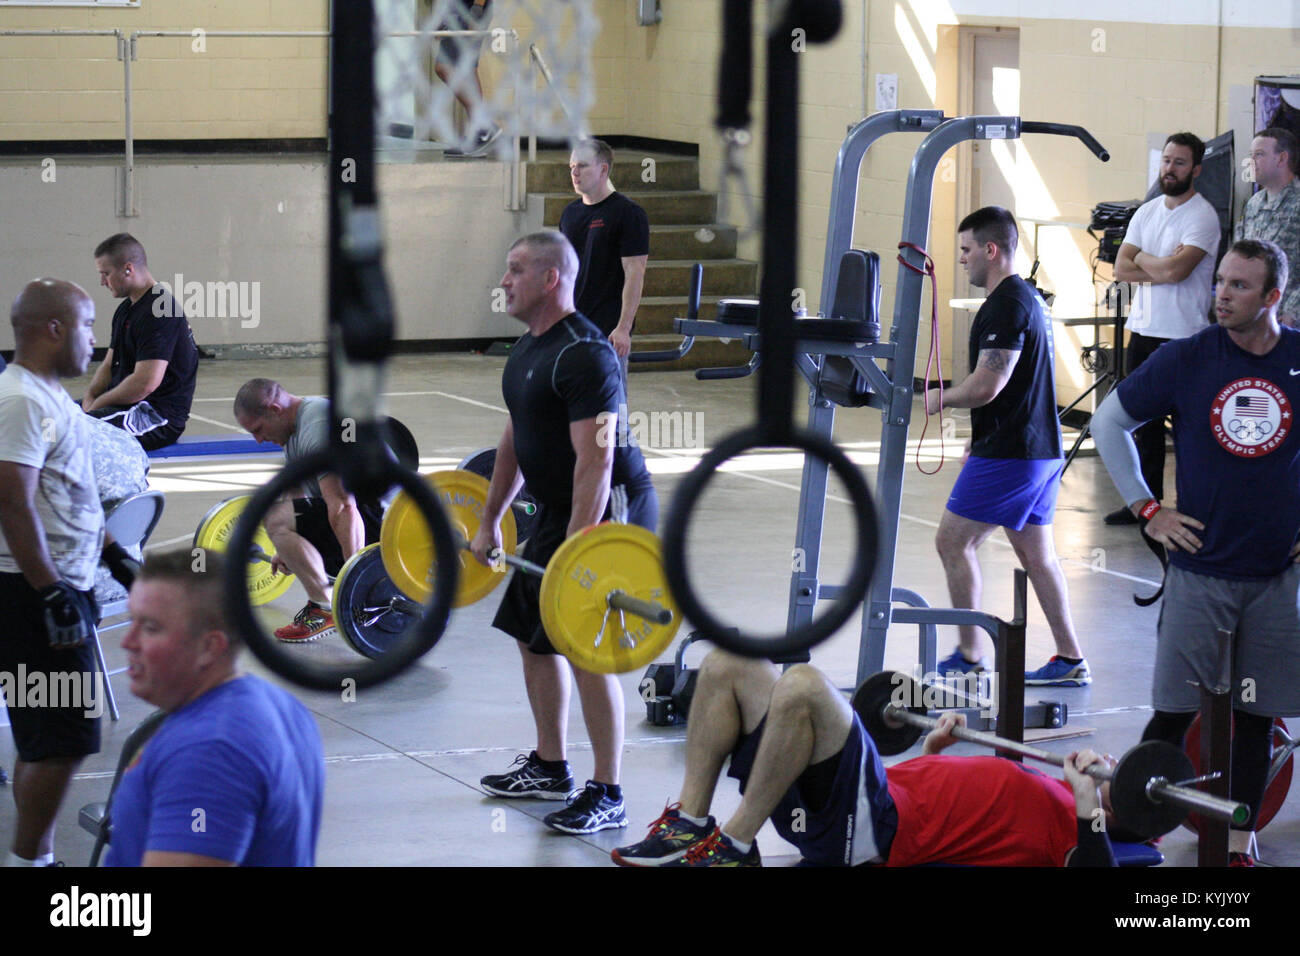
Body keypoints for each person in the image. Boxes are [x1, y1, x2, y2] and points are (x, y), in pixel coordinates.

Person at [1090, 239, 1299, 866]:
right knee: (1173, 713)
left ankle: (1239, 842)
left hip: (1275, 577)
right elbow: (1108, 424)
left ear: (1273, 297)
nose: (1222, 296)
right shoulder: (1188, 358)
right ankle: (1135, 825)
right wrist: (1148, 510)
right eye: (1221, 283)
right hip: (1201, 572)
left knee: (1255, 718)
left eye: (1239, 287)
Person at [474, 231, 657, 834]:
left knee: (583, 645)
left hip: (606, 512)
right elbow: (515, 438)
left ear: (552, 278)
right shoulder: (528, 348)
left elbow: (597, 462)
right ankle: (552, 766)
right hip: (558, 507)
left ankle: (609, 791)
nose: (504, 281)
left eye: (516, 269)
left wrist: (577, 553)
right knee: (533, 635)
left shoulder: (586, 353)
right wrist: (492, 517)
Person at [613, 650, 1121, 867]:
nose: (1110, 758)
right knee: (730, 661)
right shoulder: (1054, 789)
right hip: (862, 801)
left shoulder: (1074, 827)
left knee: (805, 686)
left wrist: (1087, 806)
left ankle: (736, 845)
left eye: (1116, 769)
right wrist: (931, 753)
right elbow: (959, 812)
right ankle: (689, 824)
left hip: (870, 831)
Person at [0, 279, 136, 866]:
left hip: (58, 585)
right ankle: (34, 861)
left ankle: (35, 855)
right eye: (85, 326)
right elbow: (12, 502)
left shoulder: (51, 397)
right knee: (62, 739)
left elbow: (71, 494)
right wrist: (50, 591)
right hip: (32, 592)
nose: (92, 339)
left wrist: (112, 553)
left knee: (56, 736)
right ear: (52, 329)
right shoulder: (21, 400)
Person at [923, 206, 1088, 686]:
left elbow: (987, 386)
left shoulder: (1007, 304)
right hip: (1035, 452)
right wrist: (979, 440)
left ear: (991, 250)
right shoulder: (1027, 299)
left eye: (967, 250)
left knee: (953, 540)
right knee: (1038, 556)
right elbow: (1017, 389)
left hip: (1015, 456)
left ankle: (970, 655)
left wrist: (939, 398)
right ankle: (1071, 660)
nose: (963, 260)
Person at [104, 548, 325, 866]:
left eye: (151, 628)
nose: (128, 642)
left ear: (210, 647)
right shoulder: (282, 707)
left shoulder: (209, 750)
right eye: (132, 621)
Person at [1105, 132, 1221, 526]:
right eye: (1167, 160)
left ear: (1197, 169)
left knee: (1189, 427)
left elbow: (1178, 271)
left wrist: (1146, 260)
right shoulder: (1147, 211)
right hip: (1143, 332)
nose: (1170, 169)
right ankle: (1145, 502)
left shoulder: (1202, 216)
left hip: (1183, 336)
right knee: (1143, 427)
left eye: (1180, 162)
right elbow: (1121, 268)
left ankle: (1193, 505)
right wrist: (1160, 265)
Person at [233, 379, 385, 642]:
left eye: (258, 429)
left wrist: (355, 583)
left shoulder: (318, 426)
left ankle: (325, 608)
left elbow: (343, 507)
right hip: (359, 517)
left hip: (385, 522)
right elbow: (297, 493)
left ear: (275, 409)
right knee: (279, 516)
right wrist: (285, 548)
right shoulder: (293, 429)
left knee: (276, 517)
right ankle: (327, 600)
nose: (258, 440)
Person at [83, 233, 199, 452]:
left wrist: (97, 407)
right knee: (50, 421)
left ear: (128, 269)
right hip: (123, 406)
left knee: (74, 433)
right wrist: (91, 396)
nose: (102, 282)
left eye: (105, 274)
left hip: (154, 415)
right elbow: (108, 364)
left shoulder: (161, 310)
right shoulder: (126, 309)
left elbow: (145, 383)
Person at [559, 139, 650, 373]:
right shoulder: (570, 214)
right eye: (571, 167)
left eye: (582, 166)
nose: (575, 173)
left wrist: (623, 327)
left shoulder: (627, 213)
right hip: (571, 326)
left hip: (606, 330)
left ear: (603, 170)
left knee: (608, 405)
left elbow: (635, 273)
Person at [1236, 127, 1300, 327]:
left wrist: (1293, 311)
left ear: (1282, 159)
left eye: (1260, 155)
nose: (1251, 161)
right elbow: (1239, 255)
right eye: (1251, 155)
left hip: (1288, 320)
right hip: (1253, 317)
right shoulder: (1254, 203)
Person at [434, 0, 501, 156]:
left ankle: (483, 126)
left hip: (469, 9)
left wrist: (476, 10)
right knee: (468, 69)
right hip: (459, 8)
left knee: (444, 67)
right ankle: (478, 134)